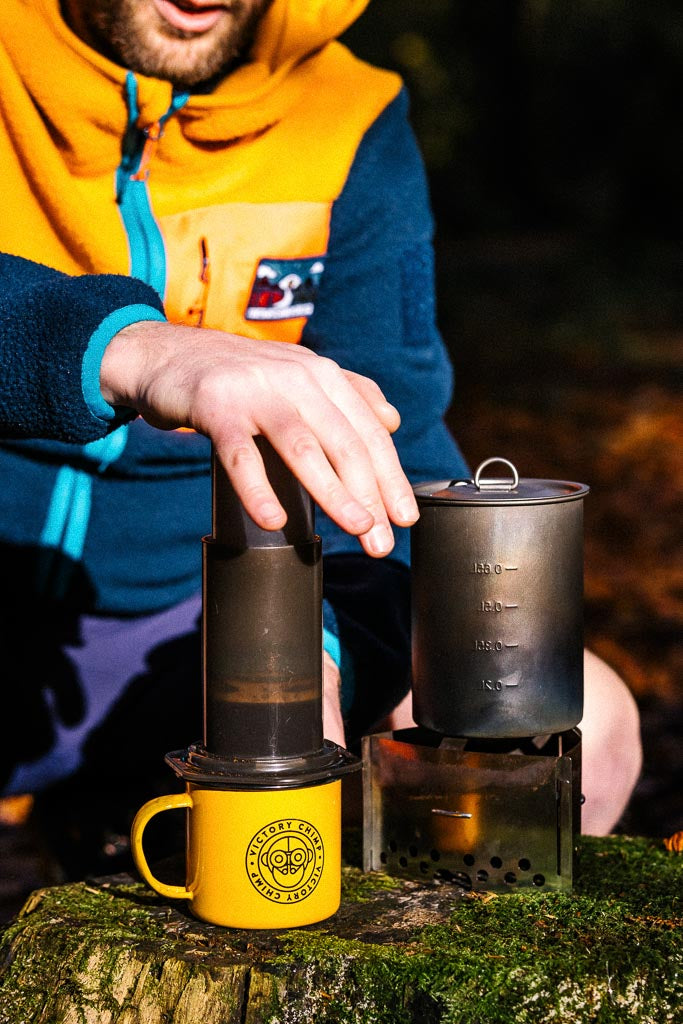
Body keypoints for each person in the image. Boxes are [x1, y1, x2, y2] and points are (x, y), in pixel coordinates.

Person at [0, 0, 639, 878]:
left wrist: (317, 650)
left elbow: (401, 468)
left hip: (202, 642)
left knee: (583, 728)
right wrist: (126, 347)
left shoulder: (348, 117)